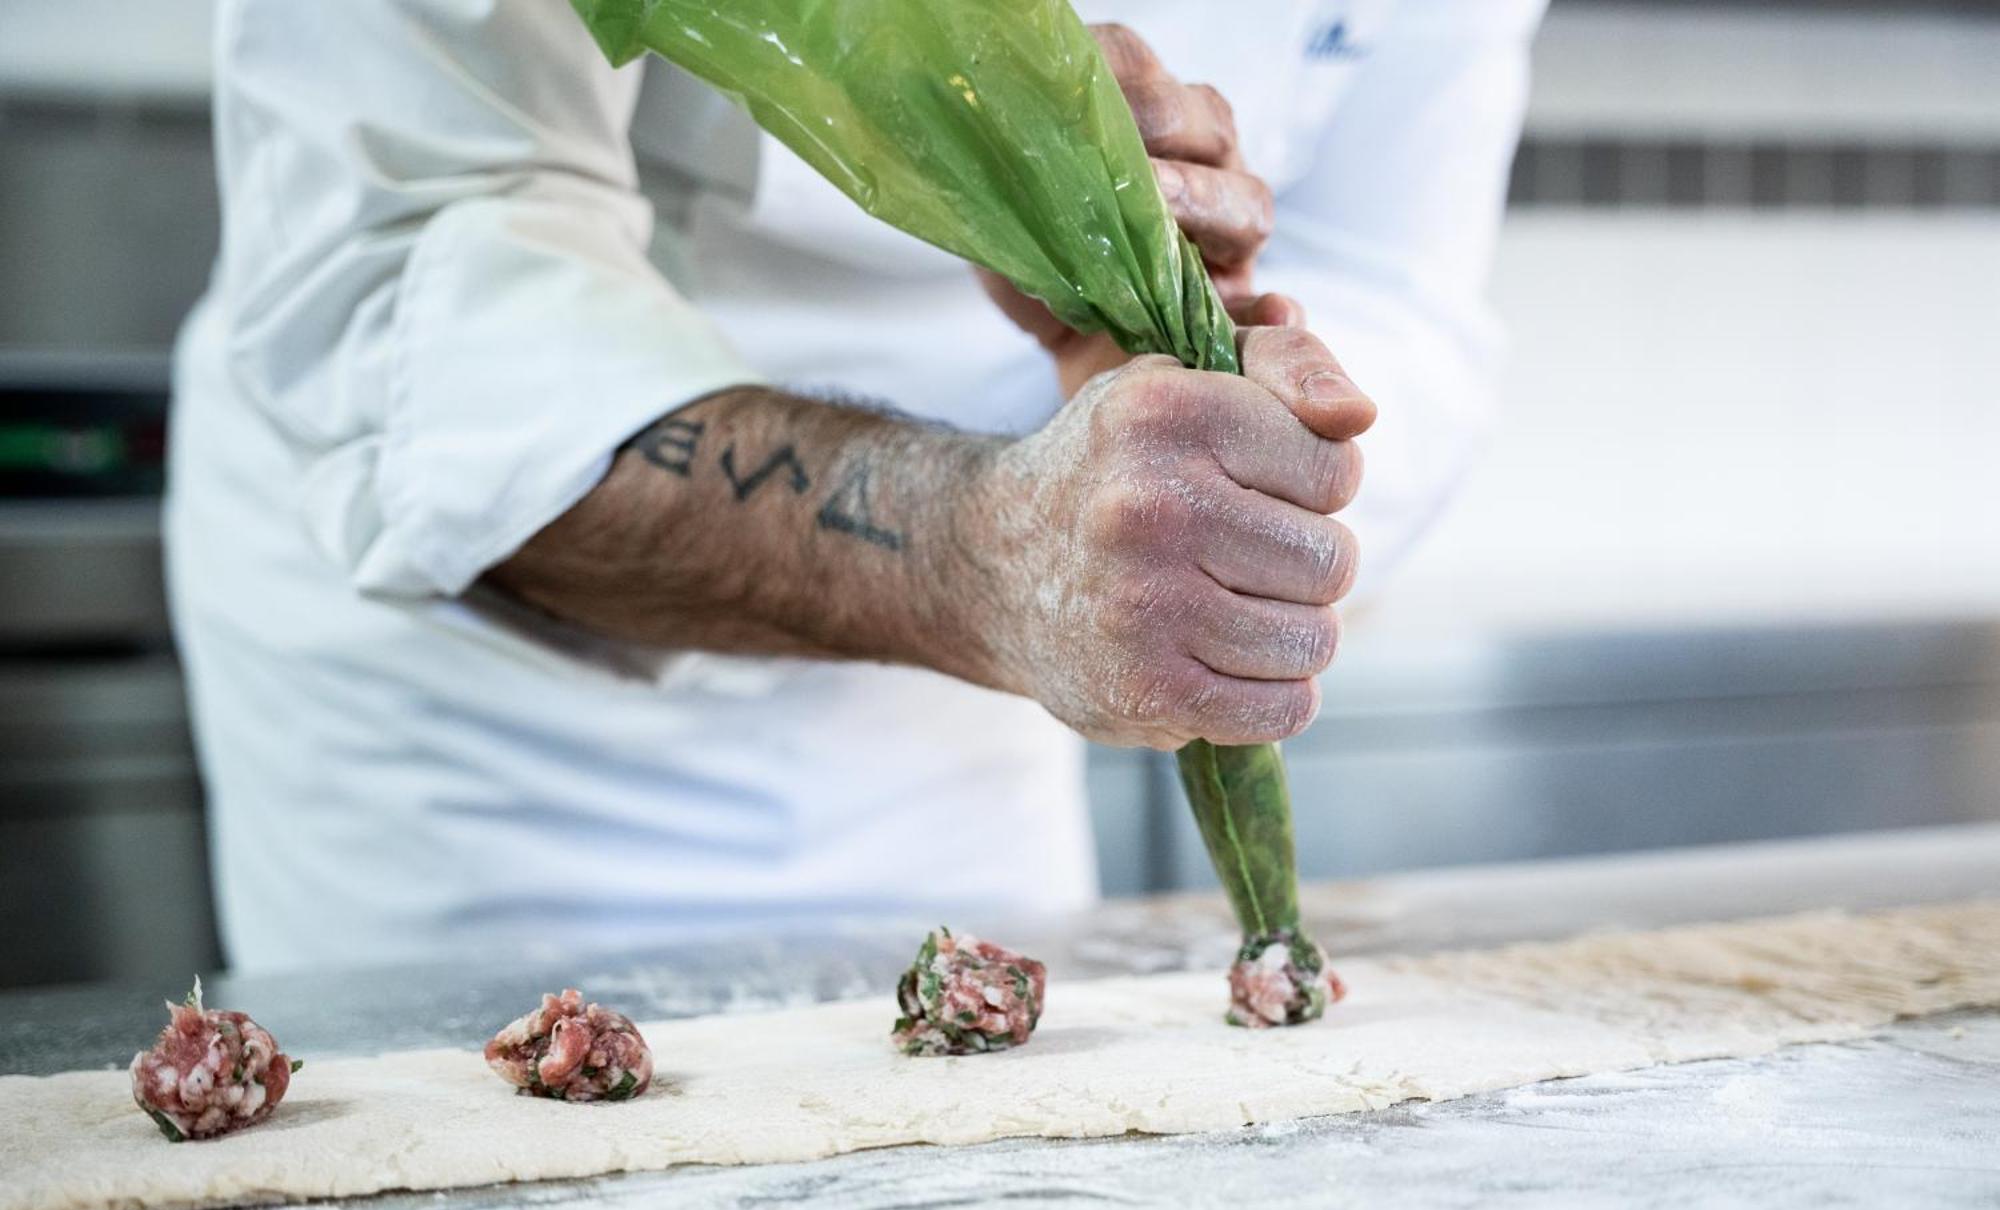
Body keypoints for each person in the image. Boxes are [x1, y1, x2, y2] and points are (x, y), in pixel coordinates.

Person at [170, 0, 1547, 971]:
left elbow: (1398, 292)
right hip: (490, 728)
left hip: (981, 706)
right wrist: (987, 553)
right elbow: (417, 274)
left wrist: (1208, 401)